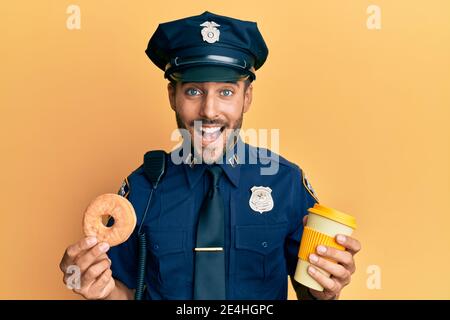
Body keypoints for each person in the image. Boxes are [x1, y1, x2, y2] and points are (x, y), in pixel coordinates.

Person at [59, 11, 361, 300]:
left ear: (247, 97)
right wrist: (96, 286)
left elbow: (309, 290)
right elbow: (124, 292)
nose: (209, 111)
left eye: (226, 92)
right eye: (193, 91)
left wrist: (326, 291)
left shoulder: (286, 182)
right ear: (172, 96)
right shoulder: (141, 189)